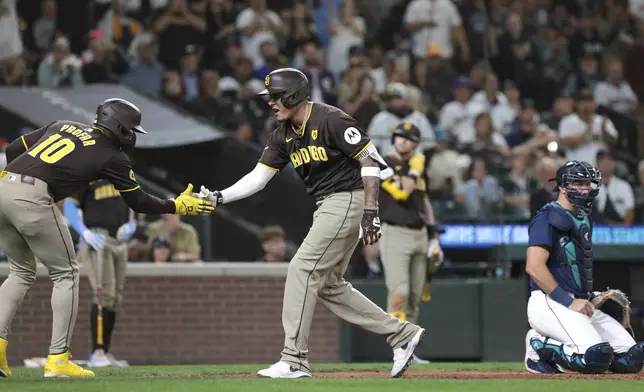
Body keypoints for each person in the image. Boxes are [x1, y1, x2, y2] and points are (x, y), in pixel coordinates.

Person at [200, 68, 425, 379]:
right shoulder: (281, 133)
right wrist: (219, 197)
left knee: (301, 268)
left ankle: (293, 359)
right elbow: (259, 177)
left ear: (293, 94)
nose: (271, 103)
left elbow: (370, 161)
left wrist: (371, 211)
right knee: (330, 284)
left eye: (276, 97)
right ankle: (401, 334)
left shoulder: (331, 118)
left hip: (348, 197)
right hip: (329, 203)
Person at [0, 98, 213, 378]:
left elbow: (14, 148)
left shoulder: (62, 124)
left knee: (20, 272)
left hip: (4, 186)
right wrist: (176, 205)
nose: (131, 135)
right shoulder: (111, 155)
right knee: (66, 274)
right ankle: (58, 359)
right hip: (35, 198)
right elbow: (138, 201)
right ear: (118, 127)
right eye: (130, 129)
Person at [524, 161, 644, 374]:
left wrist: (587, 296)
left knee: (631, 359)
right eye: (578, 183)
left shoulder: (584, 216)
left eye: (587, 183)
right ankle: (538, 344)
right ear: (562, 186)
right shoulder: (548, 216)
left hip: (580, 303)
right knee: (593, 358)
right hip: (550, 302)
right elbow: (534, 267)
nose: (585, 188)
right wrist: (568, 300)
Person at [378, 122, 443, 365]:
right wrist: (415, 171)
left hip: (420, 234)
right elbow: (402, 192)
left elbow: (422, 200)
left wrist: (434, 235)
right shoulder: (381, 163)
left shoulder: (417, 165)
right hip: (394, 233)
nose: (404, 141)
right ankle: (397, 348)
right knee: (399, 292)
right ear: (394, 138)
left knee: (415, 297)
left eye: (410, 139)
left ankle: (409, 349)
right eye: (400, 137)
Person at [63, 179, 135, 367]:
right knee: (103, 294)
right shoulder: (88, 171)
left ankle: (106, 351)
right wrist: (84, 232)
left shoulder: (121, 173)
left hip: (119, 240)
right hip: (98, 238)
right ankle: (97, 352)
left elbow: (133, 201)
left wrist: (132, 224)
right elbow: (70, 205)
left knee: (115, 297)